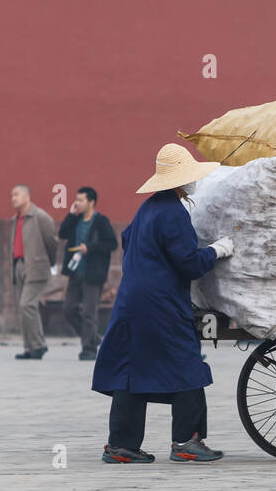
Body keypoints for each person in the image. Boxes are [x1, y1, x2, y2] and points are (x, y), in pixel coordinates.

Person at [94, 144, 234, 464]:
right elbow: (189, 264)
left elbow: (127, 239)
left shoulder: (148, 208)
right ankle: (187, 441)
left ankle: (121, 445)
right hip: (161, 304)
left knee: (133, 369)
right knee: (187, 366)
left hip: (132, 300)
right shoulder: (173, 213)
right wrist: (218, 250)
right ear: (181, 181)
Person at [58, 187, 118, 360]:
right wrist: (70, 214)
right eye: (76, 199)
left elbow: (112, 244)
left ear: (91, 202)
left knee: (89, 313)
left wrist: (90, 248)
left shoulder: (101, 221)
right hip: (75, 272)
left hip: (93, 274)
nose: (77, 202)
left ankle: (89, 350)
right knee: (69, 309)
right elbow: (62, 233)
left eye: (81, 200)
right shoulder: (76, 220)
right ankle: (92, 338)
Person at [9, 184, 59, 360]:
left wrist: (50, 263)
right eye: (12, 195)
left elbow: (52, 243)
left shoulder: (40, 217)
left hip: (36, 267)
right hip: (19, 265)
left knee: (27, 305)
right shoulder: (15, 219)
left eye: (17, 194)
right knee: (23, 308)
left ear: (27, 197)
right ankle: (29, 348)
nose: (13, 198)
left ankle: (39, 345)